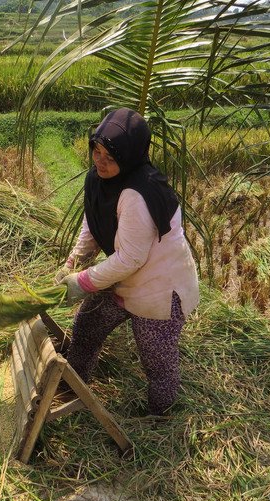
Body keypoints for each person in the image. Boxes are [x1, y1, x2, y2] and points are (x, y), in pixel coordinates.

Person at [55, 108, 199, 416]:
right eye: (97, 151)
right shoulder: (100, 178)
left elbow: (131, 258)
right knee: (87, 328)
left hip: (157, 285)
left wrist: (82, 282)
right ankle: (72, 388)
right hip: (122, 276)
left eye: (111, 156)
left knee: (156, 356)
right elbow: (93, 222)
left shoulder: (137, 194)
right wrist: (73, 261)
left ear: (131, 155)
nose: (101, 162)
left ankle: (161, 416)